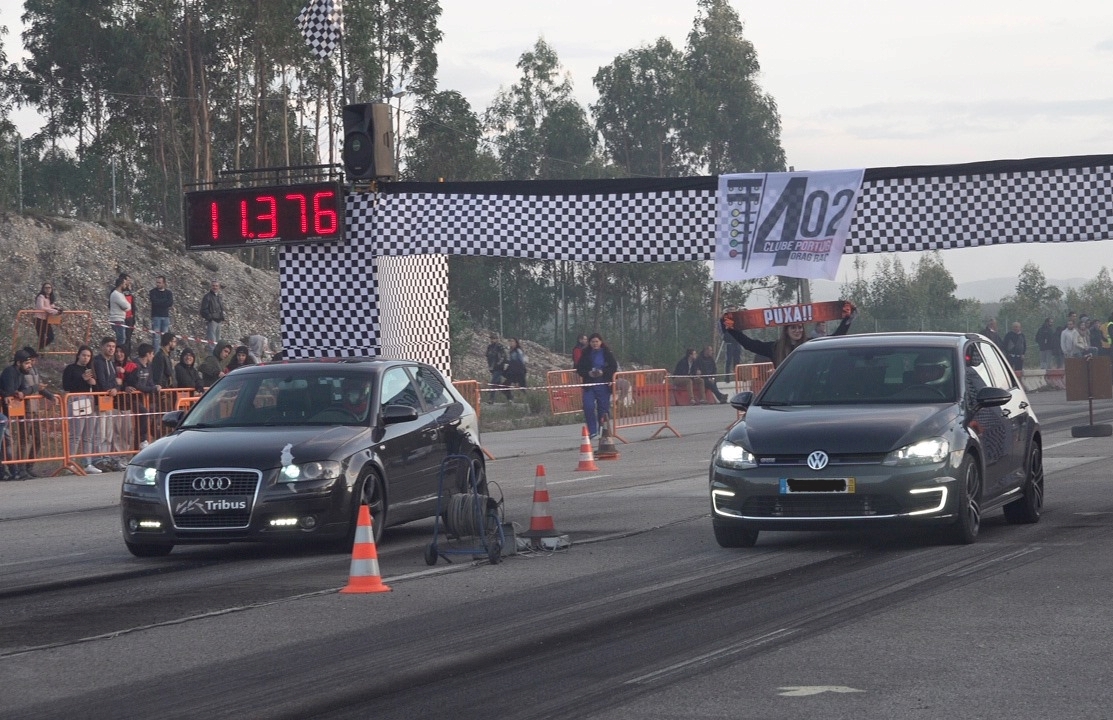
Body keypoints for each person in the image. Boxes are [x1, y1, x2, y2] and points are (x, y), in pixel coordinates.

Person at [721, 308, 853, 369]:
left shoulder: (810, 344)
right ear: (786, 330)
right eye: (793, 328)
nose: (797, 331)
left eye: (800, 327)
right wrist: (730, 328)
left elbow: (833, 339)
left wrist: (847, 319)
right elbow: (749, 344)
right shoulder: (775, 348)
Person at [62, 345, 102, 474]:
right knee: (75, 434)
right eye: (84, 355)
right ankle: (71, 463)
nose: (86, 358)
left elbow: (97, 387)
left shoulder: (90, 369)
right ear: (78, 355)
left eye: (88, 356)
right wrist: (82, 379)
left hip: (89, 400)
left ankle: (88, 463)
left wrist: (94, 384)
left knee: (88, 435)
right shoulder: (71, 368)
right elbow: (67, 385)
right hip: (76, 399)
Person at [574, 333, 618, 440]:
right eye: (593, 342)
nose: (595, 344)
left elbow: (613, 367)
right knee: (588, 406)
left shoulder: (607, 353)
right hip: (589, 384)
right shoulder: (585, 353)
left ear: (601, 342)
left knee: (603, 409)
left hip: (603, 384)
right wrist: (588, 373)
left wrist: (603, 372)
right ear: (589, 343)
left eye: (597, 341)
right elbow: (579, 369)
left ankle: (604, 431)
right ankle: (592, 431)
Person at [91, 337, 123, 471]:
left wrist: (116, 388)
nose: (111, 349)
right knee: (101, 431)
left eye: (113, 347)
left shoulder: (112, 363)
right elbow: (102, 381)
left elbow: (116, 381)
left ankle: (107, 456)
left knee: (109, 431)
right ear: (102, 347)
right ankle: (98, 458)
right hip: (101, 400)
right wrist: (110, 388)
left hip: (110, 400)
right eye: (108, 346)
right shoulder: (98, 362)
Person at [124, 344, 160, 449]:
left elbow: (150, 381)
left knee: (147, 416)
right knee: (143, 413)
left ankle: (140, 445)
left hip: (144, 398)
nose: (153, 356)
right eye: (152, 354)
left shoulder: (148, 366)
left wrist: (155, 387)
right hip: (132, 398)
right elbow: (135, 385)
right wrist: (152, 389)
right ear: (147, 354)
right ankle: (143, 439)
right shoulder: (133, 365)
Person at [33, 282, 62, 350]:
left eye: (49, 287)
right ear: (43, 289)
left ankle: (39, 350)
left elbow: (51, 306)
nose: (48, 289)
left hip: (46, 319)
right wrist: (53, 311)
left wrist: (57, 309)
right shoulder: (41, 296)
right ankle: (40, 352)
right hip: (39, 319)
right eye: (46, 288)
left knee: (50, 337)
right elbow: (41, 307)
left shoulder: (49, 297)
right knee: (41, 337)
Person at [148, 275, 174, 351]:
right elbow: (154, 302)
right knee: (156, 337)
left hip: (165, 317)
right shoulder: (152, 292)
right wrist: (164, 301)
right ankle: (156, 355)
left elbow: (170, 303)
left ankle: (165, 354)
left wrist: (160, 302)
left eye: (159, 282)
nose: (158, 284)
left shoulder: (169, 293)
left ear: (164, 283)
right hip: (156, 316)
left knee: (165, 337)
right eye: (157, 282)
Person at [108, 274, 132, 349]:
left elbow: (128, 306)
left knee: (122, 339)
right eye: (124, 284)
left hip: (120, 319)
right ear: (121, 284)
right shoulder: (116, 294)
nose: (126, 285)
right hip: (117, 319)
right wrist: (126, 307)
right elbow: (127, 306)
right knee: (121, 340)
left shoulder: (120, 294)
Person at [485, 333, 510, 402]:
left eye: (493, 339)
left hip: (499, 368)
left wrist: (500, 364)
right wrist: (490, 366)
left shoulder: (500, 347)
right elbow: (488, 356)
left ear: (497, 339)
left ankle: (491, 399)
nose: (492, 340)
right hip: (492, 368)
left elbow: (504, 356)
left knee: (493, 382)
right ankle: (509, 397)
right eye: (491, 339)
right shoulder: (489, 347)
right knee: (498, 385)